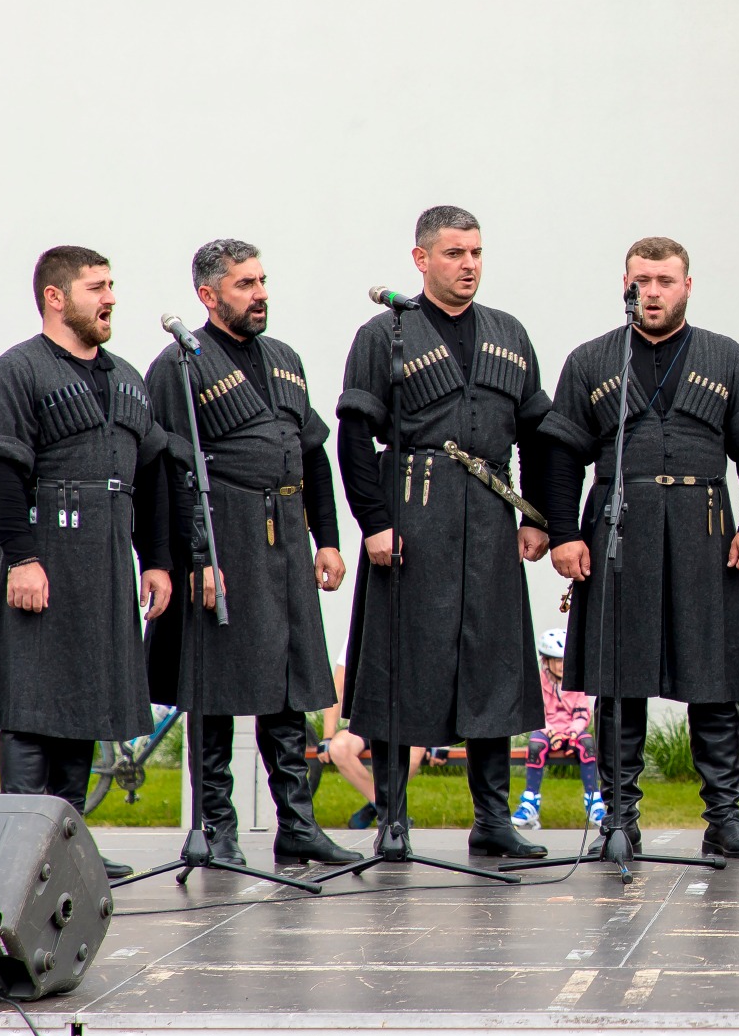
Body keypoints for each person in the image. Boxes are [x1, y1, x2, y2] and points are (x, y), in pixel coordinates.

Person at [545, 236, 739, 859]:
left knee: (714, 681)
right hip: (619, 531)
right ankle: (619, 822)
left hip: (706, 532)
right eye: (641, 281)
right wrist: (565, 534)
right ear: (625, 286)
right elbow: (561, 456)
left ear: (687, 286)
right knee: (620, 683)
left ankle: (724, 820)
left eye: (664, 281)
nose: (651, 292)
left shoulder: (726, 357)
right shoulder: (591, 360)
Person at [336, 205, 552, 860]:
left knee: (493, 665)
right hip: (412, 514)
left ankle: (493, 820)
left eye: (476, 252)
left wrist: (536, 516)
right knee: (400, 665)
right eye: (455, 253)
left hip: (489, 515)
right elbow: (353, 437)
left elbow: (538, 434)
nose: (468, 265)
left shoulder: (509, 333)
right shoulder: (385, 334)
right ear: (421, 259)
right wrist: (375, 522)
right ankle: (393, 819)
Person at [143, 240, 359, 867]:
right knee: (214, 690)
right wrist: (195, 558)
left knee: (288, 688)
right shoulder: (179, 365)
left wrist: (327, 538)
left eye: (262, 280)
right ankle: (217, 830)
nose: (260, 293)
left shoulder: (285, 358)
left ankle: (298, 826)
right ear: (208, 295)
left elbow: (312, 454)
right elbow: (168, 471)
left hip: (285, 537)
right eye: (244, 284)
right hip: (223, 537)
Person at [0, 246, 174, 880]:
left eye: (111, 285)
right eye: (96, 287)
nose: (110, 298)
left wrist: (156, 560)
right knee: (31, 703)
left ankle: (68, 847)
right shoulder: (15, 371)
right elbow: (1, 472)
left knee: (87, 702)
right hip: (43, 551)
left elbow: (152, 476)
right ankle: (22, 853)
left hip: (105, 559)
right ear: (55, 297)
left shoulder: (127, 377)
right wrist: (23, 560)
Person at [512, 630, 604, 829]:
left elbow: (582, 713)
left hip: (572, 732)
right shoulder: (538, 683)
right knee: (535, 745)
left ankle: (594, 802)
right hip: (548, 731)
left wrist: (572, 733)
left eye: (566, 661)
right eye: (558, 661)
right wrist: (552, 732)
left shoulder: (576, 682)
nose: (563, 666)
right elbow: (537, 714)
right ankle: (530, 803)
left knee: (588, 744)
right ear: (546, 661)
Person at [319, 665, 428, 830]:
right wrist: (327, 737)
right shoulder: (351, 646)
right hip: (364, 722)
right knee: (338, 748)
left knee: (415, 751)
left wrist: (436, 740)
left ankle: (378, 807)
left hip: (406, 724)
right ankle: (386, 809)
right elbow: (337, 689)